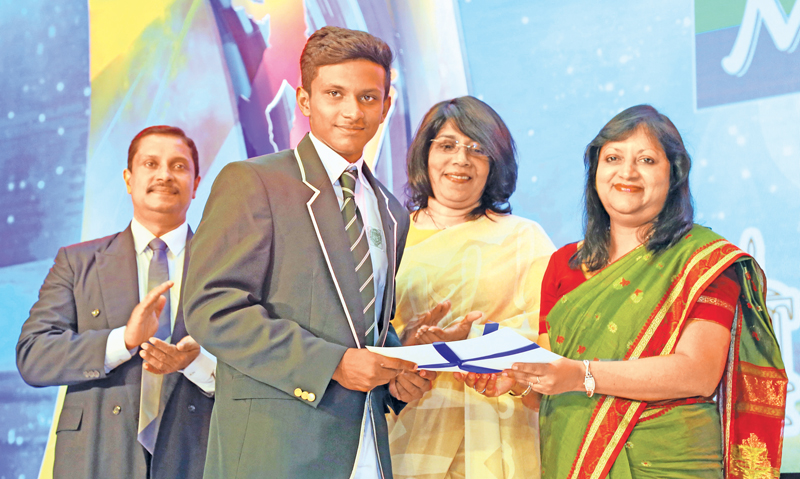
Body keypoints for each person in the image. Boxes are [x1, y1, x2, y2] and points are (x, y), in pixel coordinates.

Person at [469, 104, 787, 478]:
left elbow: (698, 372)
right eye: (613, 157)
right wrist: (516, 379)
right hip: (574, 458)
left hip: (671, 461)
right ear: (595, 170)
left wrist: (582, 374)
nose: (627, 172)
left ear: (675, 173)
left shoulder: (702, 262)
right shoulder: (564, 264)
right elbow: (555, 380)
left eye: (647, 160)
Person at [182, 26, 434, 479]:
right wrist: (332, 364)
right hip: (274, 447)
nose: (351, 111)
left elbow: (363, 324)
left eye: (368, 97)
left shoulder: (390, 211)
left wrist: (396, 372)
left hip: (365, 447)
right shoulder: (254, 182)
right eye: (334, 93)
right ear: (304, 100)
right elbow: (211, 309)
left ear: (386, 106)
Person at [16, 125, 215, 479]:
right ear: (128, 178)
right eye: (150, 164)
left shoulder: (227, 264)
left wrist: (195, 362)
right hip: (96, 456)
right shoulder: (77, 263)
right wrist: (122, 341)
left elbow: (260, 365)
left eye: (179, 166)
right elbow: (34, 356)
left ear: (197, 183)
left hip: (199, 454)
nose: (164, 175)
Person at [386, 96, 555, 479]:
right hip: (409, 426)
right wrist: (410, 341)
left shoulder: (524, 238)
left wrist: (478, 341)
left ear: (495, 162)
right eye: (447, 146)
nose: (461, 160)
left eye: (477, 149)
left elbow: (555, 333)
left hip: (502, 432)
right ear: (424, 155)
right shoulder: (387, 235)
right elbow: (359, 333)